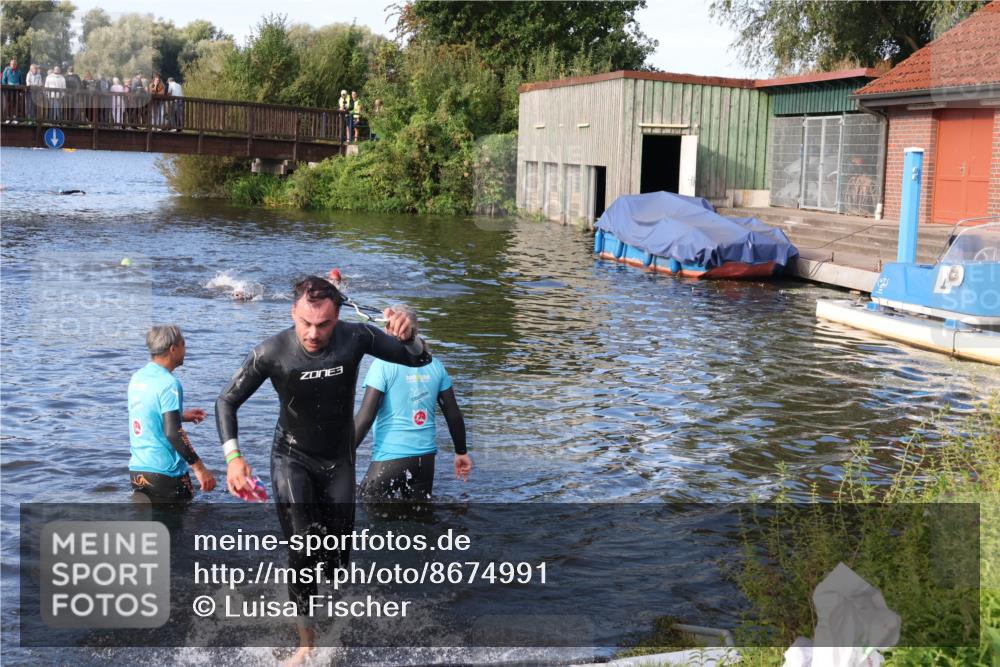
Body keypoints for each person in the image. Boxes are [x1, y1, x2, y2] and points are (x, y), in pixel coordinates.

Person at [215, 275, 431, 666]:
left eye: (324, 324)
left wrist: (410, 335)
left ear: (337, 317)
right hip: (291, 458)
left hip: (339, 460)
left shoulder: (356, 338)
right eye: (305, 323)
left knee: (333, 561)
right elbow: (227, 401)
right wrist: (233, 458)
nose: (313, 334)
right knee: (302, 547)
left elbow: (419, 358)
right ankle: (306, 643)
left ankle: (318, 599)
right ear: (292, 313)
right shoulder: (271, 351)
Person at [354, 347, 471, 500]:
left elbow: (366, 417)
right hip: (425, 462)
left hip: (389, 459)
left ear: (389, 329)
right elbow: (453, 415)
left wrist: (340, 456)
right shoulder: (435, 366)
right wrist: (461, 452)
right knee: (420, 518)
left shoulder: (382, 364)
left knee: (362, 509)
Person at [128, 325, 216, 502]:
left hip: (138, 471)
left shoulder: (138, 377)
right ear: (173, 348)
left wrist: (180, 415)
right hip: (166, 473)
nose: (186, 349)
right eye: (183, 344)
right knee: (188, 527)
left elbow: (147, 413)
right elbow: (173, 433)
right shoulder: (169, 384)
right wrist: (199, 469)